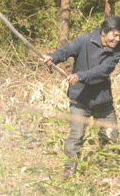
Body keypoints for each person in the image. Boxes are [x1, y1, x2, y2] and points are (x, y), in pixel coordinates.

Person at [41, 15, 120, 178]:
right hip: (80, 99)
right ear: (104, 33)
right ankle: (69, 173)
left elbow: (103, 71)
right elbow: (67, 50)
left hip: (102, 101)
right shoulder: (85, 40)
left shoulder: (117, 50)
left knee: (110, 136)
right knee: (76, 136)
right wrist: (53, 57)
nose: (118, 39)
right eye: (115, 35)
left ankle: (108, 174)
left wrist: (80, 76)